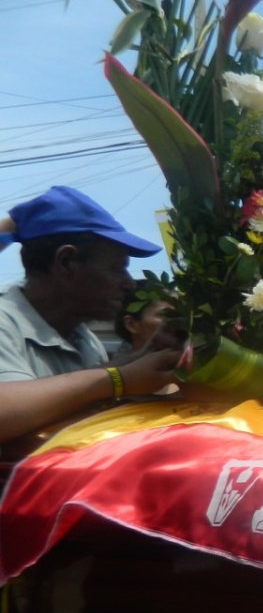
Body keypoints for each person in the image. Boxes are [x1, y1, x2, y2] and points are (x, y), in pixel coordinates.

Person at [0, 186, 180, 445]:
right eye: (117, 268)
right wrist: (119, 379)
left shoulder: (84, 339)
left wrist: (142, 360)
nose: (128, 284)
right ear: (66, 262)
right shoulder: (5, 323)